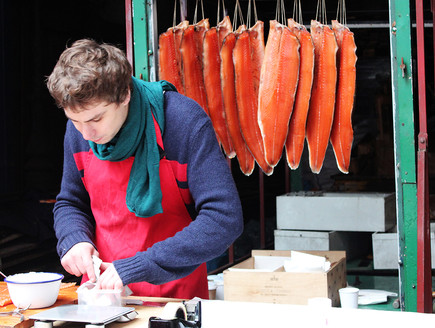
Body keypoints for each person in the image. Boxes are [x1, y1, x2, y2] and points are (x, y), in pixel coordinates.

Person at [46, 39, 243, 299]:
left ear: (125, 94)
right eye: (75, 121)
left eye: (97, 118)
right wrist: (74, 239)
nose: (87, 133)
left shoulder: (182, 121)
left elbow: (224, 218)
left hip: (174, 299)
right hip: (103, 296)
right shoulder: (80, 129)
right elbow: (71, 202)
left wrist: (137, 266)